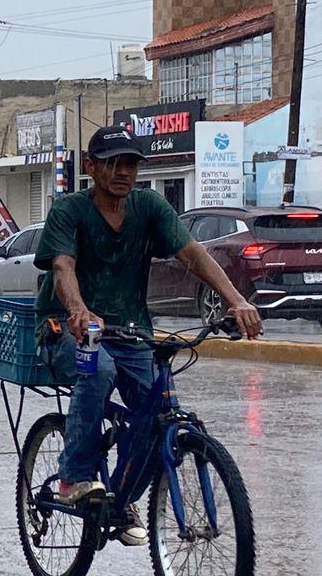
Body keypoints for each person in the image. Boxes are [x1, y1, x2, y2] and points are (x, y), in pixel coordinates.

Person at [32, 123, 264, 544]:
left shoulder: (149, 207)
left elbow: (193, 254)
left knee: (157, 408)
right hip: (66, 329)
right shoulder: (70, 211)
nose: (123, 172)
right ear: (91, 166)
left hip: (131, 331)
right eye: (113, 163)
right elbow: (63, 267)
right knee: (97, 368)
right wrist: (78, 309)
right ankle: (73, 477)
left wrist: (236, 300)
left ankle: (119, 500)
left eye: (132, 164)